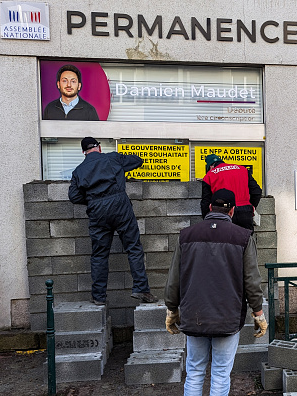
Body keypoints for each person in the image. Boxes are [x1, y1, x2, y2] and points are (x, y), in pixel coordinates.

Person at [164, 188, 268, 396]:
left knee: (194, 371)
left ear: (210, 207)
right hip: (227, 316)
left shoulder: (186, 235)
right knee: (221, 373)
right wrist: (258, 313)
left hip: (194, 314)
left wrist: (171, 310)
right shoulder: (243, 237)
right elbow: (252, 281)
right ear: (232, 211)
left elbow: (174, 277)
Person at [68, 137, 157, 305]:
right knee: (133, 248)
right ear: (99, 148)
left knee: (99, 255)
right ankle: (141, 289)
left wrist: (92, 199)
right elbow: (138, 161)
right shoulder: (112, 158)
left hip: (97, 210)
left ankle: (99, 296)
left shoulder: (78, 171)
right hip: (119, 205)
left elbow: (74, 196)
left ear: (83, 152)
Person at [201, 154, 262, 232]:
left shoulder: (209, 175)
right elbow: (257, 191)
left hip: (223, 213)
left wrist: (207, 220)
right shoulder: (242, 169)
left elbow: (205, 202)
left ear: (210, 167)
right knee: (246, 240)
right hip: (245, 212)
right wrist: (251, 207)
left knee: (225, 241)